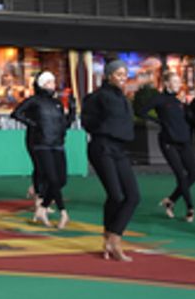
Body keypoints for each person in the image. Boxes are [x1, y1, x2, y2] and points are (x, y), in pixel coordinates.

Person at [82, 59, 139, 262]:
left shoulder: (124, 98)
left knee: (133, 196)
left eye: (125, 74)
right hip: (101, 147)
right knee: (116, 195)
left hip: (120, 149)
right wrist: (102, 122)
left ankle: (113, 237)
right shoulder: (97, 97)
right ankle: (112, 241)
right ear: (108, 75)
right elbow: (87, 122)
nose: (123, 78)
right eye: (118, 74)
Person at [11, 71, 73, 228]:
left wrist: (72, 113)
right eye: (49, 82)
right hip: (41, 144)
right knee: (52, 178)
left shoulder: (57, 103)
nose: (53, 85)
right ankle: (63, 213)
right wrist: (34, 124)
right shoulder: (34, 101)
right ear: (43, 84)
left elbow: (64, 124)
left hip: (57, 144)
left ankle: (43, 207)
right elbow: (16, 113)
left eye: (53, 82)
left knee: (61, 180)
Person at [143, 72, 195, 222]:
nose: (178, 84)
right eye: (175, 82)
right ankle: (190, 208)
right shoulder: (159, 99)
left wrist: (187, 107)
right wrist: (159, 122)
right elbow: (141, 112)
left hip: (184, 141)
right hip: (168, 142)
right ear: (167, 83)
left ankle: (171, 200)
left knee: (194, 174)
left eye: (179, 82)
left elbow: (188, 119)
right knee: (180, 175)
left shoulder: (179, 100)